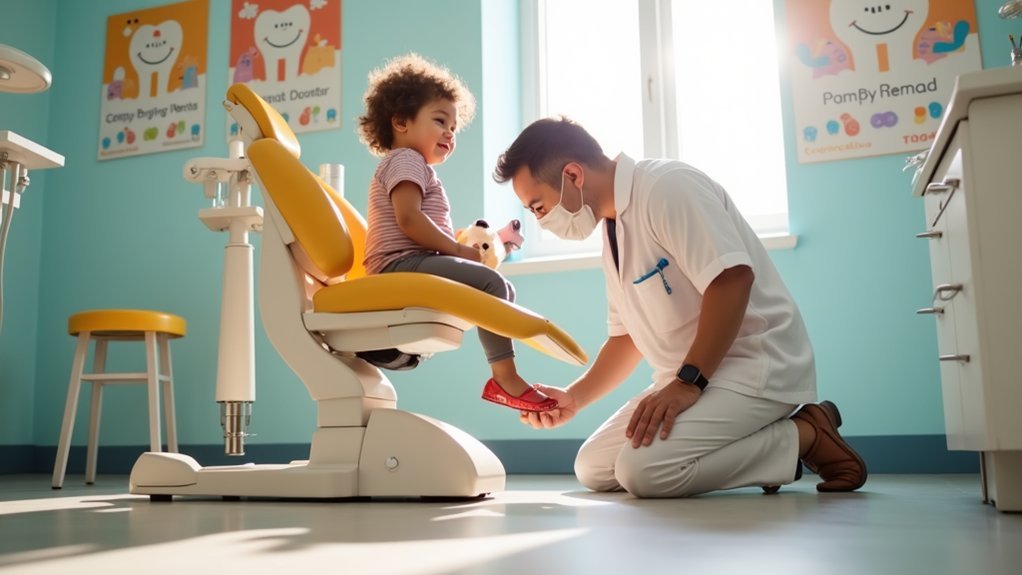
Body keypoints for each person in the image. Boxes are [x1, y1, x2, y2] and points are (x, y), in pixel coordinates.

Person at [492, 117, 868, 496]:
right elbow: (627, 339)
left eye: (538, 207)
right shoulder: (612, 227)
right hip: (689, 378)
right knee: (594, 468)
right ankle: (759, 450)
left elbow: (732, 280)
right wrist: (573, 398)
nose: (540, 221)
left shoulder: (666, 187)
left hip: (752, 366)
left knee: (644, 472)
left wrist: (689, 382)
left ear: (573, 175)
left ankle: (805, 435)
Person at [357, 53, 556, 412]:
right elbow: (409, 220)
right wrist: (456, 250)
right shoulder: (406, 160)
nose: (450, 132)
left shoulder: (414, 166)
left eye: (454, 127)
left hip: (409, 263)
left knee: (499, 287)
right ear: (400, 121)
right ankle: (505, 378)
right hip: (400, 265)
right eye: (440, 120)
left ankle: (503, 374)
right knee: (492, 285)